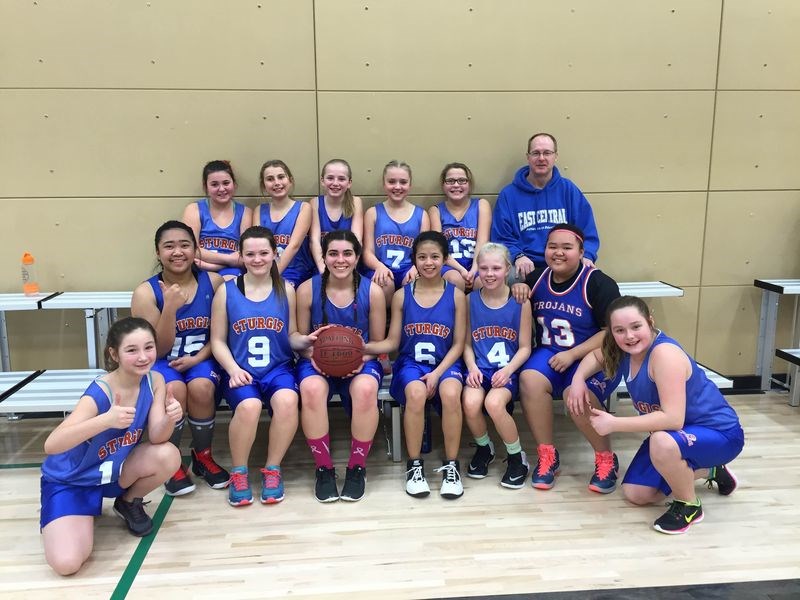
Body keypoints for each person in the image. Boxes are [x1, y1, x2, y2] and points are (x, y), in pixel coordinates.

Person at [568, 296, 743, 534]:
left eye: (636, 327)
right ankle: (712, 469)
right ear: (611, 332)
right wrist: (578, 380)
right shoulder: (623, 350)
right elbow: (596, 357)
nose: (629, 336)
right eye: (620, 330)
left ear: (650, 321)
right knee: (636, 493)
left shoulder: (664, 354)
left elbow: (673, 419)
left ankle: (689, 505)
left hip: (720, 433)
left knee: (660, 441)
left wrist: (614, 423)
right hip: (676, 436)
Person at [40, 317, 182, 575]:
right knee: (67, 564)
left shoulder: (155, 380)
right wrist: (104, 421)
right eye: (132, 350)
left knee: (168, 455)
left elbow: (159, 437)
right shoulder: (99, 393)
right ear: (114, 354)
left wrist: (171, 418)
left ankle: (127, 502)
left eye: (148, 347)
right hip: (71, 480)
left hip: (112, 471)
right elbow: (52, 444)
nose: (143, 357)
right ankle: (65, 516)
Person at [514, 224, 622, 493]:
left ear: (581, 252)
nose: (558, 253)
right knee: (529, 379)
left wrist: (573, 354)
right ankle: (547, 455)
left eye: (566, 247)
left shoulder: (599, 283)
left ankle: (606, 458)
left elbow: (611, 333)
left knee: (579, 392)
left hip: (595, 354)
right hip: (551, 352)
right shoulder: (536, 279)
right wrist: (516, 287)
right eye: (552, 247)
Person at [131, 220, 229, 497]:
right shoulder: (145, 293)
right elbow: (156, 349)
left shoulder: (213, 281)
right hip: (163, 361)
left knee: (201, 387)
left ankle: (202, 456)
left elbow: (221, 335)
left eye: (185, 245)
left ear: (195, 249)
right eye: (169, 246)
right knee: (174, 390)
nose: (178, 252)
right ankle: (171, 462)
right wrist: (170, 309)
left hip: (202, 357)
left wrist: (198, 357)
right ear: (157, 252)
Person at [366, 231, 466, 499]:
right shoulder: (401, 295)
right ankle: (414, 466)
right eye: (422, 257)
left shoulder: (456, 296)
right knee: (416, 392)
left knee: (450, 393)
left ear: (445, 259)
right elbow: (392, 342)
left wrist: (437, 373)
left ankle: (452, 466)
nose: (429, 262)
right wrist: (362, 349)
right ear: (414, 261)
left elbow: (458, 344)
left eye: (435, 257)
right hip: (410, 364)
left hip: (445, 364)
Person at [210, 226, 304, 507]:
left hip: (279, 369)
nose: (258, 259)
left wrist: (308, 341)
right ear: (241, 256)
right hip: (241, 370)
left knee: (288, 400)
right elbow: (217, 341)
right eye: (250, 254)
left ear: (275, 253)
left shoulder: (286, 290)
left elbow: (292, 335)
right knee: (249, 407)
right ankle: (239, 472)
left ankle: (272, 469)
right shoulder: (226, 291)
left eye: (264, 252)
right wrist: (232, 369)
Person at [294, 230, 386, 502]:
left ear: (357, 257)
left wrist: (359, 357)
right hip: (316, 362)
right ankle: (324, 468)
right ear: (324, 257)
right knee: (310, 389)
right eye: (333, 253)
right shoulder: (306, 289)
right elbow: (296, 338)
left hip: (361, 362)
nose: (340, 260)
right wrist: (309, 347)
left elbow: (381, 344)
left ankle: (357, 467)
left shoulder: (374, 291)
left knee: (366, 389)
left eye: (347, 253)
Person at [462, 243, 532, 488]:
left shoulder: (520, 301)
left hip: (508, 370)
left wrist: (508, 370)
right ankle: (485, 448)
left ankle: (517, 457)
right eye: (484, 268)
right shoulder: (469, 301)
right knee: (470, 403)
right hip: (480, 367)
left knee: (493, 403)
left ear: (508, 269)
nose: (489, 273)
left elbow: (525, 347)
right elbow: (466, 343)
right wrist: (471, 367)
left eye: (496, 267)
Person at [491, 133, 600, 280]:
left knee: (595, 279)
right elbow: (501, 237)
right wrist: (518, 256)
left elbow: (586, 231)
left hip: (564, 262)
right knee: (510, 278)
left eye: (547, 153)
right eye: (536, 153)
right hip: (525, 265)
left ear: (556, 156)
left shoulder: (569, 190)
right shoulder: (509, 195)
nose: (541, 158)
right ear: (528, 157)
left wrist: (587, 255)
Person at [362, 160, 430, 305]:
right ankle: (384, 322)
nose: (397, 186)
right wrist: (379, 266)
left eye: (403, 182)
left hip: (409, 269)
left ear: (410, 185)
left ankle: (407, 324)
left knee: (415, 284)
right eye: (392, 181)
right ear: (384, 184)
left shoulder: (421, 215)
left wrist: (416, 268)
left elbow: (426, 251)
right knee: (384, 282)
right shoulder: (373, 213)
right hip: (380, 268)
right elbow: (367, 252)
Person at [182, 160, 252, 279]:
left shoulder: (245, 213)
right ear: (206, 187)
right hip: (199, 267)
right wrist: (229, 259)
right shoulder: (194, 210)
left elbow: (244, 257)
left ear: (234, 184)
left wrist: (213, 266)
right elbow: (190, 250)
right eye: (214, 184)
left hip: (230, 271)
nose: (221, 189)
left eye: (226, 183)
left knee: (229, 284)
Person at [429, 162, 492, 291]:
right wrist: (462, 271)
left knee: (483, 282)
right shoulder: (435, 211)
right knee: (455, 280)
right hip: (450, 265)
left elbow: (482, 242)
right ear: (443, 185)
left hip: (477, 262)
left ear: (469, 184)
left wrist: (474, 270)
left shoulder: (481, 205)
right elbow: (440, 249)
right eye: (450, 181)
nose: (456, 185)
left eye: (462, 180)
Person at [254, 159, 315, 288]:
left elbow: (294, 245)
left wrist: (272, 276)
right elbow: (256, 247)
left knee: (281, 292)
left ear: (290, 180)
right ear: (264, 185)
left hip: (296, 271)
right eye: (270, 179)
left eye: (281, 177)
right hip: (265, 270)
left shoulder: (303, 208)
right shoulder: (259, 210)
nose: (277, 183)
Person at [309, 159, 365, 274]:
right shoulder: (315, 203)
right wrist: (323, 269)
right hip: (323, 265)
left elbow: (357, 240)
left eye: (341, 179)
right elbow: (314, 241)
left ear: (349, 183)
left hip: (349, 265)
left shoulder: (355, 202)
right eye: (330, 178)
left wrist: (350, 269)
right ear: (322, 181)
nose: (335, 183)